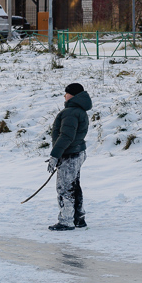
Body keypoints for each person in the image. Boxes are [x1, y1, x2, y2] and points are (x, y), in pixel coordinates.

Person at [46, 83, 92, 231]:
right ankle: (78, 218)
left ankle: (66, 220)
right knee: (73, 186)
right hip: (77, 152)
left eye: (66, 93)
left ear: (71, 95)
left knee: (65, 188)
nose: (64, 96)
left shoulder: (71, 112)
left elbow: (66, 136)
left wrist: (55, 155)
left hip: (70, 154)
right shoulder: (79, 110)